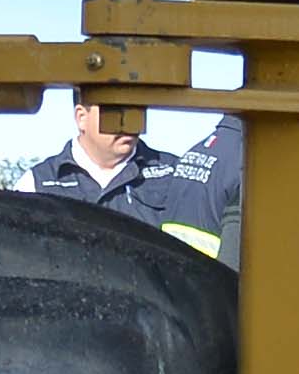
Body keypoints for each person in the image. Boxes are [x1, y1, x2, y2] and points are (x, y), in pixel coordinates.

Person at [30, 94, 237, 256]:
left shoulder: (177, 174)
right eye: (115, 112)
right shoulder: (35, 184)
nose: (129, 123)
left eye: (136, 111)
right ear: (81, 117)